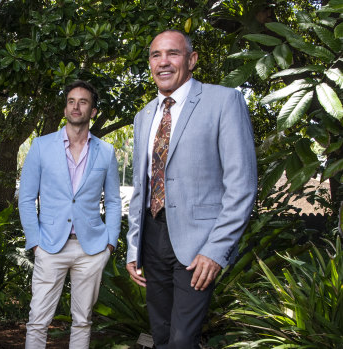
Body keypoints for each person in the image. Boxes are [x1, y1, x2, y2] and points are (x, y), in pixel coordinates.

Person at [125, 29, 257, 348]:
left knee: (182, 340)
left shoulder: (224, 101)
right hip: (152, 241)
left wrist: (216, 249)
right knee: (161, 335)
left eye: (173, 53)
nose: (163, 62)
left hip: (198, 244)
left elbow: (241, 185)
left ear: (192, 59)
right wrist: (133, 246)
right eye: (156, 55)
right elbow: (141, 188)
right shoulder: (143, 117)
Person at [18, 80, 122, 348]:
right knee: (38, 320)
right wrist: (36, 243)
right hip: (50, 246)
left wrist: (110, 244)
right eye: (71, 101)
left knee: (83, 320)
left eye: (83, 102)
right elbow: (27, 199)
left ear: (93, 111)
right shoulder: (41, 146)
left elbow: (112, 201)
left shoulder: (107, 152)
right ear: (65, 108)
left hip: (92, 249)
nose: (76, 107)